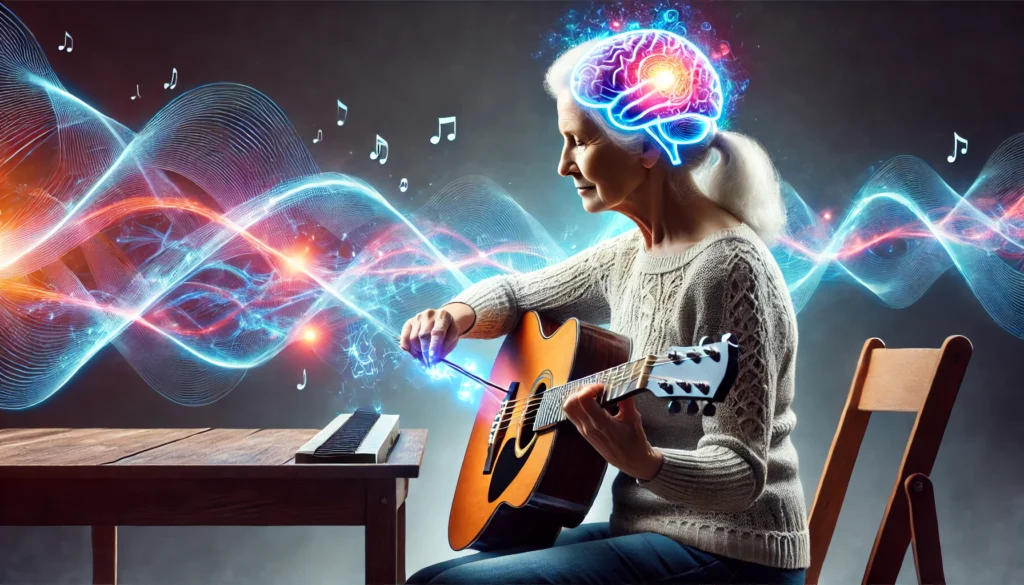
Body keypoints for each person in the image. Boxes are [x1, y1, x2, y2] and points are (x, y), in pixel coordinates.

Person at [399, 31, 809, 585]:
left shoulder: (729, 269)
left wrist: (645, 463)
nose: (564, 164)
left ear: (645, 146)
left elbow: (740, 473)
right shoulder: (629, 254)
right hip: (647, 534)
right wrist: (454, 315)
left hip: (735, 554)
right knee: (428, 580)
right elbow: (519, 293)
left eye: (581, 141)